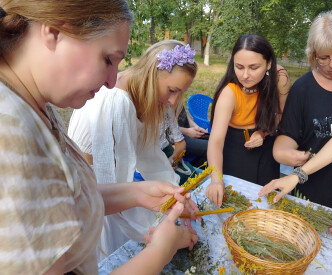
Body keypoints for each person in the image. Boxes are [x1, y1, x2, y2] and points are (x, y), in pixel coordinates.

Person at [0, 2, 198, 274]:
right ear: (54, 32)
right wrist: (159, 252)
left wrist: (138, 192)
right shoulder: (11, 130)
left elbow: (66, 198)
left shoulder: (35, 105)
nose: (111, 80)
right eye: (107, 59)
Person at [68, 40, 198, 261]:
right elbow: (115, 188)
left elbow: (148, 155)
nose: (173, 101)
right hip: (92, 196)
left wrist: (176, 194)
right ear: (152, 75)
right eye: (172, 90)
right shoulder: (117, 101)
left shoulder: (141, 97)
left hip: (109, 193)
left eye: (181, 93)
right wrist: (157, 232)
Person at [259, 11, 332, 245]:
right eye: (324, 57)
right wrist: (286, 156)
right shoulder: (304, 88)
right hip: (314, 194)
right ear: (312, 55)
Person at [206, 34, 290, 206]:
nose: (245, 75)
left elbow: (281, 115)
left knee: (267, 200)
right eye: (239, 67)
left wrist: (264, 132)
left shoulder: (279, 78)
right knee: (239, 202)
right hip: (235, 148)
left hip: (266, 147)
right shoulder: (229, 93)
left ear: (268, 64)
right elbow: (215, 142)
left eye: (253, 67)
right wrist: (216, 179)